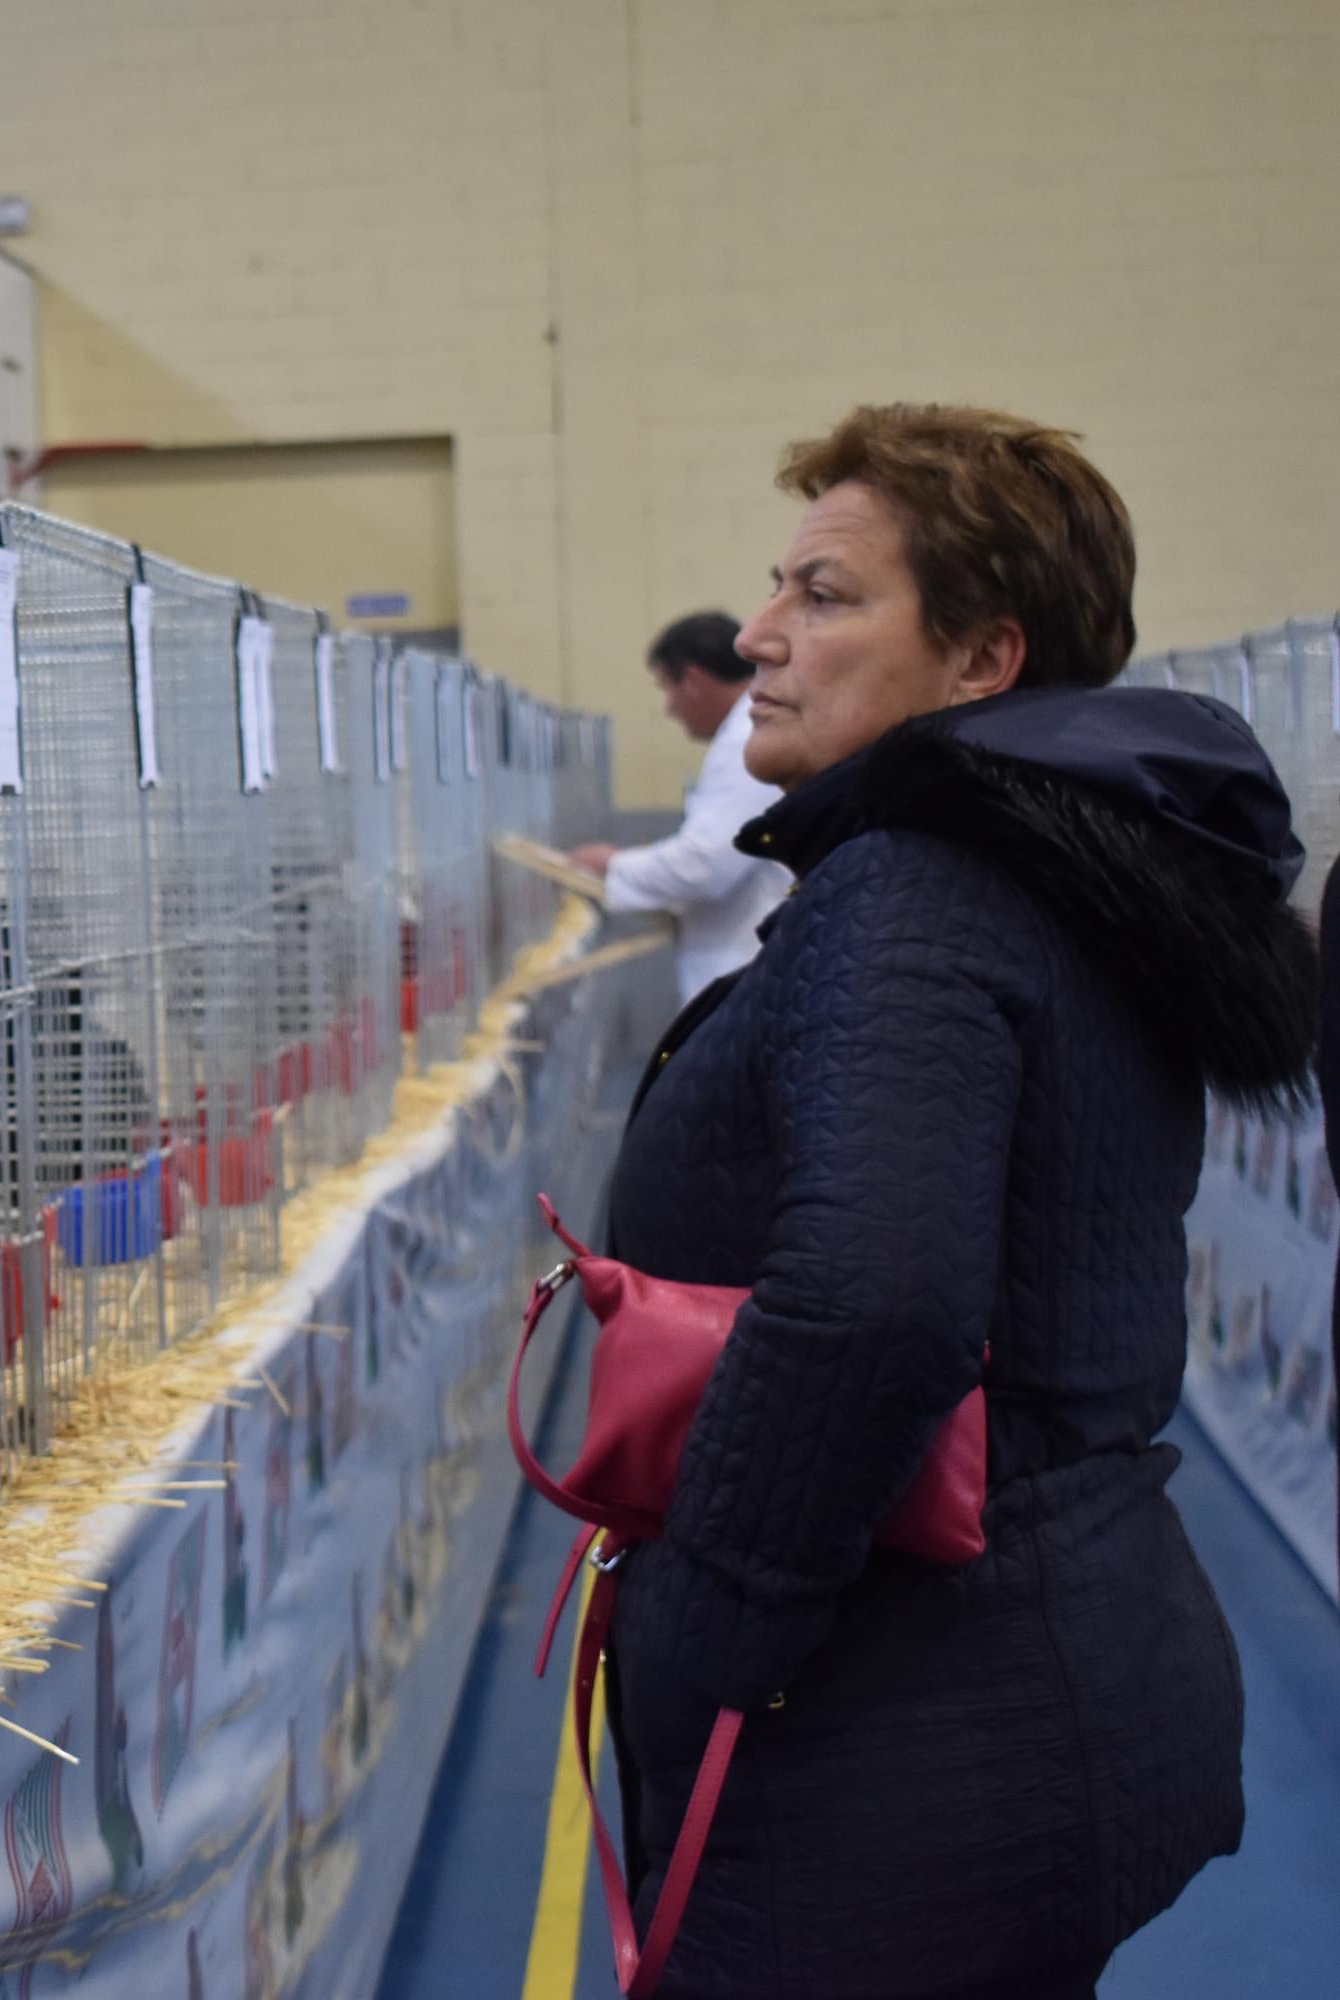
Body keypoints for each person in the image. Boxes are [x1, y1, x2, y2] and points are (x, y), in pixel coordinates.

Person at [599, 403, 1315, 1998]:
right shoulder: (1063, 869)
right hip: (1066, 1644)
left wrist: (702, 1631)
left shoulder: (918, 887)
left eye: (828, 597)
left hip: (914, 1709)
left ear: (986, 660)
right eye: (773, 588)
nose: (760, 634)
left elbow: (875, 1303)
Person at [567, 612, 790, 1004]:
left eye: (667, 688)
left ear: (693, 679)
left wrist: (614, 865)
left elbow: (707, 864)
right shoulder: (745, 734)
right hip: (738, 964)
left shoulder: (747, 739)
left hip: (743, 967)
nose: (670, 709)